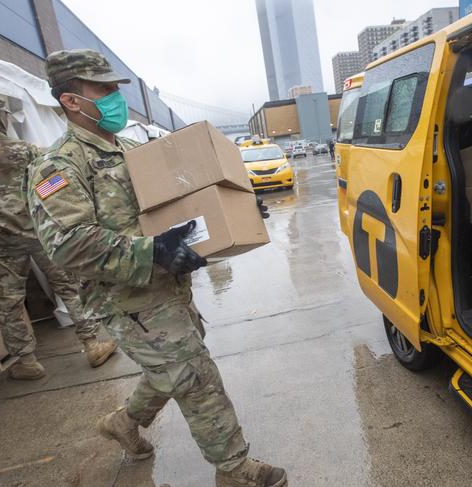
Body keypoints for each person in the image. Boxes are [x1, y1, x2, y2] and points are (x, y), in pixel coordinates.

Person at [25, 49, 286, 487]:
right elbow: (68, 245)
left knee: (173, 368)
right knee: (193, 373)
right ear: (71, 101)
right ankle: (235, 469)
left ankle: (125, 421)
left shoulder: (132, 150)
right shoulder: (57, 166)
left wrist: (235, 208)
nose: (114, 98)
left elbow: (179, 205)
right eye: (103, 90)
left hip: (168, 286)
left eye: (115, 89)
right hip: (124, 299)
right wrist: (154, 253)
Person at [0, 94, 118, 380]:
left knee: (9, 303)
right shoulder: (27, 151)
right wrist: (32, 204)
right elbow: (57, 182)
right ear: (0, 117)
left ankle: (27, 362)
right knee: (70, 287)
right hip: (41, 234)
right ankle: (92, 343)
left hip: (0, 243)